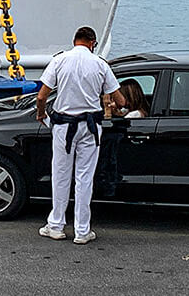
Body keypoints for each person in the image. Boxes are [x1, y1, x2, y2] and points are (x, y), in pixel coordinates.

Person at [34, 26, 125, 244]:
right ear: (92, 42)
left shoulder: (59, 61)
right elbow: (121, 101)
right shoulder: (100, 64)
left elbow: (41, 97)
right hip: (91, 127)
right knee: (84, 178)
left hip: (64, 126)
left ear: (74, 40)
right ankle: (82, 231)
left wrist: (41, 114)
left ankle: (56, 225)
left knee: (61, 175)